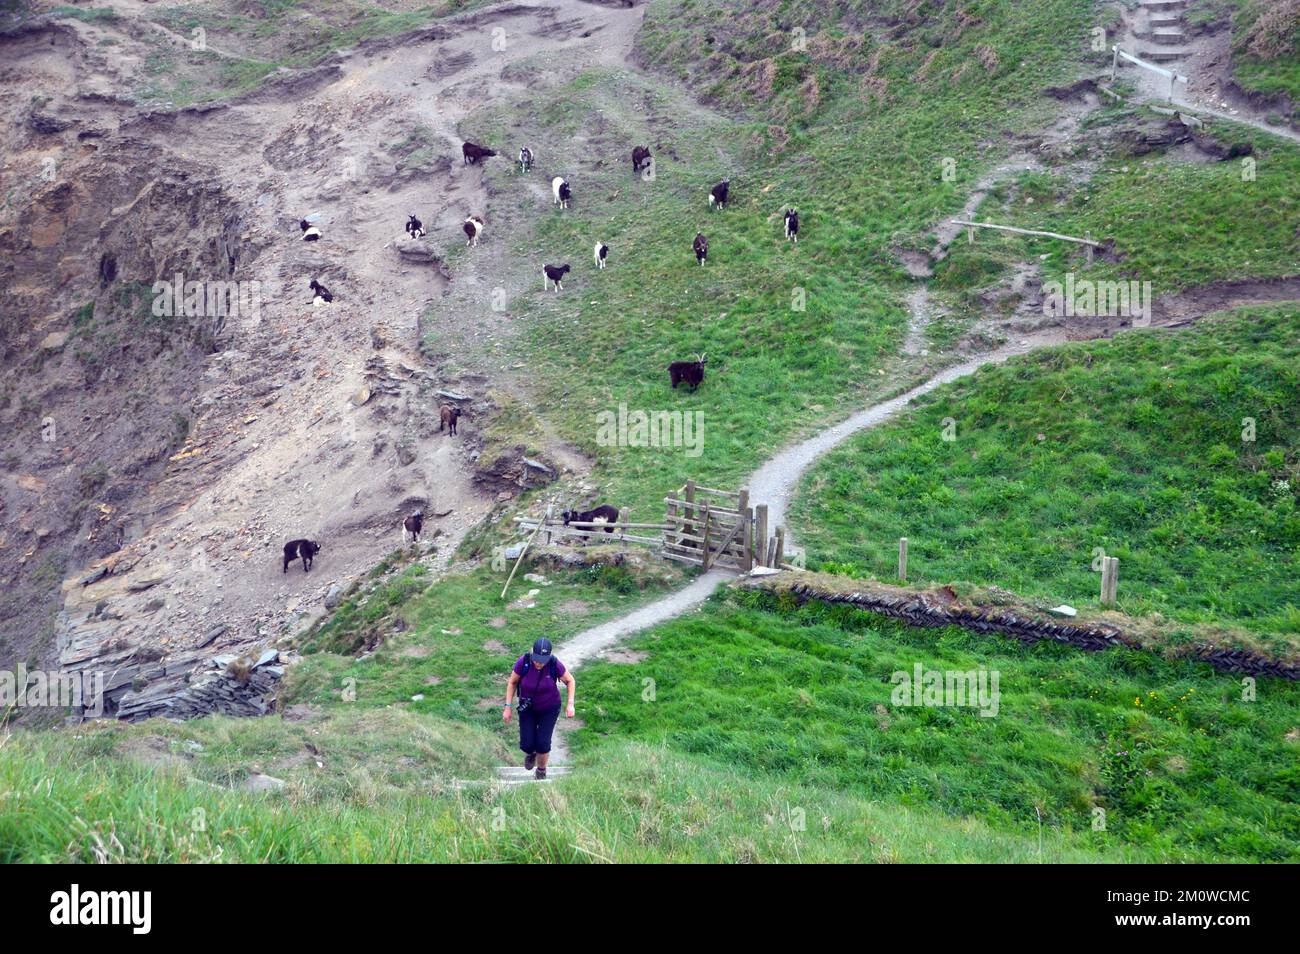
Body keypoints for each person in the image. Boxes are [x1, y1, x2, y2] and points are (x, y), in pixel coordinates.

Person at [503, 637, 575, 780]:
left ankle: (541, 771)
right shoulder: (523, 662)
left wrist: (570, 703)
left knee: (543, 743)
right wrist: (508, 707)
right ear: (532, 654)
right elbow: (512, 682)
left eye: (542, 660)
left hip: (549, 707)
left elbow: (570, 680)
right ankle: (531, 752)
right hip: (527, 708)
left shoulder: (554, 663)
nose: (538, 663)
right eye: (536, 659)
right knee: (527, 744)